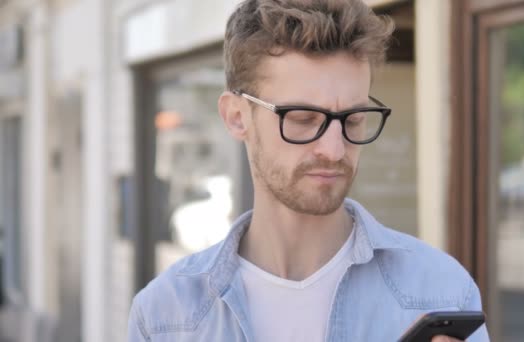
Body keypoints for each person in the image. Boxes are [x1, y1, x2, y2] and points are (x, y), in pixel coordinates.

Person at [128, 0, 490, 341]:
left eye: (354, 118)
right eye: (302, 119)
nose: (334, 150)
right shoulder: (165, 316)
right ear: (237, 117)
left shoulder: (441, 291)